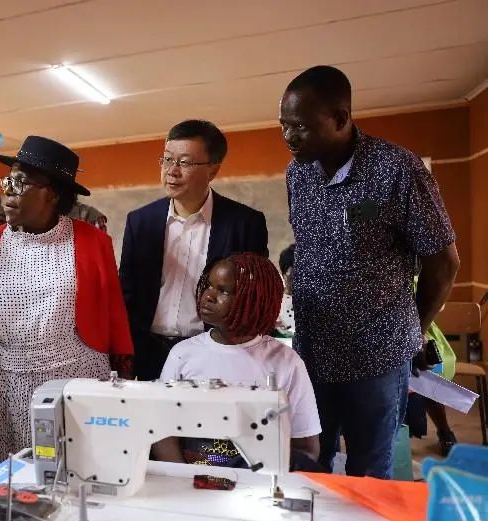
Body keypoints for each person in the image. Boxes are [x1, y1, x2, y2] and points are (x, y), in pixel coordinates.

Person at [279, 65, 459, 478]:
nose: (288, 137)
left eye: (300, 126)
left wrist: (413, 330)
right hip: (314, 351)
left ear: (341, 118)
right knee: (308, 464)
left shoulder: (397, 169)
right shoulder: (298, 174)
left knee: (369, 469)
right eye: (283, 126)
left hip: (377, 354)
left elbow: (444, 262)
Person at [0, 135, 133, 472]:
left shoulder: (93, 242)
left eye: (20, 183)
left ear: (51, 194)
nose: (7, 191)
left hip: (70, 378)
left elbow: (113, 314)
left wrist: (122, 375)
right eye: (7, 181)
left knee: (69, 475)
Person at [120, 119, 269, 381]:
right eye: (167, 160)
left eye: (185, 162)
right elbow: (127, 293)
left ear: (213, 169)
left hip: (213, 352)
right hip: (148, 352)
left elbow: (254, 297)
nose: (172, 171)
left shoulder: (244, 224)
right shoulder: (141, 222)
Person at [153, 253, 321, 469]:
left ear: (254, 300)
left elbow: (306, 447)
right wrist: (183, 477)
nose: (208, 296)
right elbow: (162, 433)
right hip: (192, 478)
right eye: (209, 286)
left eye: (223, 291)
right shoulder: (183, 354)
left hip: (256, 480)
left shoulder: (286, 362)